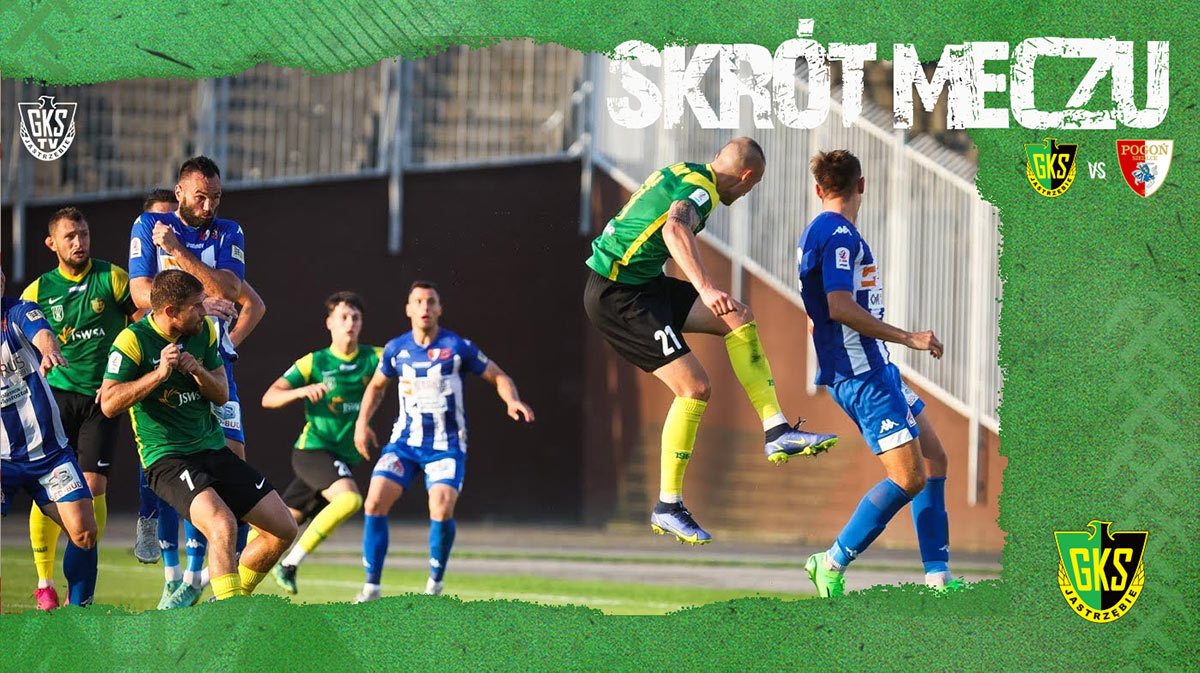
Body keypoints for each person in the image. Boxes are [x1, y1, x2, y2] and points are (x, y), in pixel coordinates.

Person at [583, 137, 838, 545]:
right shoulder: (703, 191)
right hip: (619, 296)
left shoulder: (686, 171)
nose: (747, 193)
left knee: (738, 317)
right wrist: (704, 287)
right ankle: (668, 505)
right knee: (695, 387)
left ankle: (776, 431)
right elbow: (674, 227)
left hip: (643, 284)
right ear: (747, 177)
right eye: (752, 186)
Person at [796, 150, 961, 596]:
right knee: (909, 477)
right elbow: (838, 306)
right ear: (862, 185)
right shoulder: (840, 235)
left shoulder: (815, 233)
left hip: (874, 367)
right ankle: (830, 562)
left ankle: (938, 576)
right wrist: (909, 337)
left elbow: (817, 309)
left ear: (818, 190)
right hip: (864, 377)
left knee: (935, 457)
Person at [99, 269, 296, 605]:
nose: (205, 311)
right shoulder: (133, 340)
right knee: (223, 525)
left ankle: (226, 605)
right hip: (168, 460)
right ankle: (229, 621)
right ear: (171, 311)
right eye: (197, 306)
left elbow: (221, 393)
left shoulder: (202, 331)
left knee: (283, 529)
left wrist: (197, 370)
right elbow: (108, 403)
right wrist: (158, 375)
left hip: (213, 449)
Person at [127, 165, 266, 608]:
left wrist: (177, 253)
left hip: (214, 365)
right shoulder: (149, 224)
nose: (209, 206)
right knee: (175, 462)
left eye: (216, 198)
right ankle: (174, 571)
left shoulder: (228, 230)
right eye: (201, 197)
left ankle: (208, 581)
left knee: (234, 472)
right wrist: (206, 300)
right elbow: (141, 293)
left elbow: (233, 288)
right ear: (180, 191)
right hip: (165, 361)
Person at [351, 281, 534, 602]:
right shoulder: (396, 349)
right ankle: (371, 588)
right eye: (418, 301)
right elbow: (377, 386)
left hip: (445, 446)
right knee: (374, 501)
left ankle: (434, 586)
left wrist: (511, 400)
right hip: (404, 444)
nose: (425, 307)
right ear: (408, 309)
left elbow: (498, 376)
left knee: (441, 506)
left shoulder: (458, 347)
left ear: (439, 309)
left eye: (431, 301)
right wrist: (361, 424)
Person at [19, 207, 138, 610]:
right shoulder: (37, 291)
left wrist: (126, 371)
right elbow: (18, 341)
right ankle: (44, 583)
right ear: (51, 243)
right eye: (70, 236)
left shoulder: (112, 278)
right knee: (50, 487)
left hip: (102, 398)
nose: (79, 242)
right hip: (54, 399)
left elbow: (142, 321)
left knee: (92, 488)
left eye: (84, 234)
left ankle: (81, 583)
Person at [260, 292, 379, 594]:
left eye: (355, 318)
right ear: (329, 323)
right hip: (313, 451)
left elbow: (405, 363)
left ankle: (206, 579)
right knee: (350, 500)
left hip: (341, 458)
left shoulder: (375, 358)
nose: (350, 323)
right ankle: (290, 564)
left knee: (276, 530)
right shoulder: (314, 361)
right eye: (343, 317)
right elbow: (269, 397)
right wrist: (301, 391)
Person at [1, 266, 99, 608]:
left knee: (84, 533)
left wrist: (48, 349)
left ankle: (79, 617)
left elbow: (41, 332)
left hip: (49, 455)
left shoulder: (18, 311)